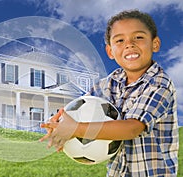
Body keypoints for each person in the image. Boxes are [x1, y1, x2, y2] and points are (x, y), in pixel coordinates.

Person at [39, 9, 179, 177]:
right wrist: (59, 124)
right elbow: (83, 108)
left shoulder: (159, 83)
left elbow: (132, 128)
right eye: (120, 40)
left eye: (139, 37)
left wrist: (76, 129)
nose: (129, 44)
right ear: (110, 52)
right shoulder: (109, 83)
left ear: (155, 44)